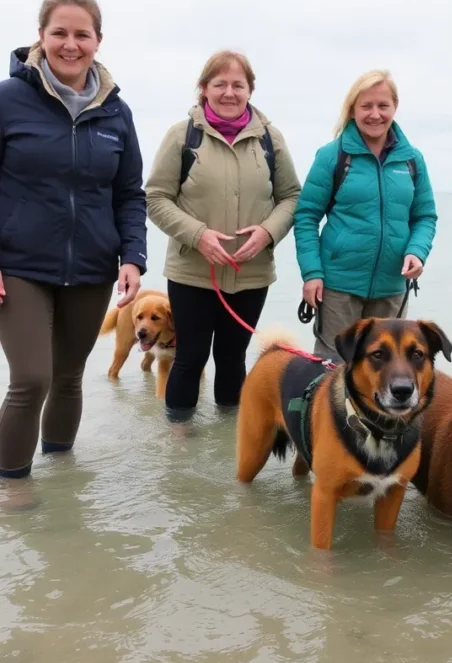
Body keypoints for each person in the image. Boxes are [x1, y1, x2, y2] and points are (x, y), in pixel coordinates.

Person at [0, 0, 147, 480]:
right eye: (60, 33)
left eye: (82, 35)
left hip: (91, 267)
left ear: (97, 41)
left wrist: (132, 256)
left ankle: (61, 481)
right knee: (31, 378)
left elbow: (130, 193)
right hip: (19, 266)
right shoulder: (8, 100)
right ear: (40, 36)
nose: (70, 44)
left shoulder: (117, 113)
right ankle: (12, 488)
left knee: (68, 377)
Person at [145, 50, 301, 418]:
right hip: (192, 272)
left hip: (252, 273)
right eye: (220, 84)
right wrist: (198, 235)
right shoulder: (181, 136)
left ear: (250, 90)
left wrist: (267, 233)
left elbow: (292, 197)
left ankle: (229, 442)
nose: (229, 92)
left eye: (238, 85)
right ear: (203, 89)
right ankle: (180, 450)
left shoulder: (270, 139)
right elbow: (155, 197)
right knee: (190, 357)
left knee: (233, 358)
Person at [294, 68, 437, 361]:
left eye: (383, 105)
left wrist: (417, 252)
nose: (375, 114)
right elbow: (306, 216)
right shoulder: (332, 156)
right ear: (352, 110)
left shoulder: (412, 160)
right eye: (366, 106)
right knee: (331, 369)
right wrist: (312, 273)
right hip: (337, 288)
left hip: (392, 286)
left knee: (385, 371)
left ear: (394, 107)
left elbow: (424, 216)